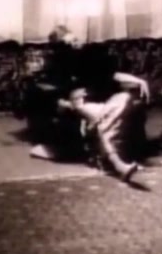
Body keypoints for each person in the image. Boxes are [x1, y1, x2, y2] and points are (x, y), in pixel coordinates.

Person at [26, 26, 150, 167]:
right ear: (60, 46)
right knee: (101, 120)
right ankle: (114, 160)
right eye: (70, 42)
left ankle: (118, 155)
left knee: (122, 106)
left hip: (95, 99)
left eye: (75, 40)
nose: (75, 44)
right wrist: (65, 102)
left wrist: (139, 81)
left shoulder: (85, 57)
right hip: (78, 102)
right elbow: (56, 90)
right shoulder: (57, 64)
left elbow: (108, 74)